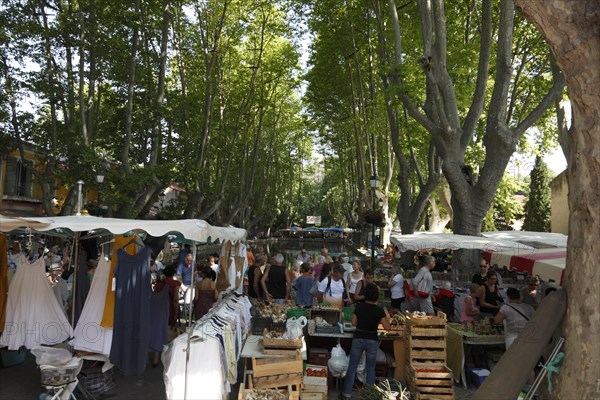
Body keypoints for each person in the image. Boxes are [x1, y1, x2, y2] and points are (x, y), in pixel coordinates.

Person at [342, 283, 391, 399]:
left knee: (352, 366)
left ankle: (346, 394)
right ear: (377, 297)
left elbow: (353, 323)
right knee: (370, 368)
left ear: (365, 295)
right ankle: (370, 394)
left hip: (358, 338)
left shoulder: (359, 307)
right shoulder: (379, 310)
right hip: (372, 340)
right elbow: (387, 327)